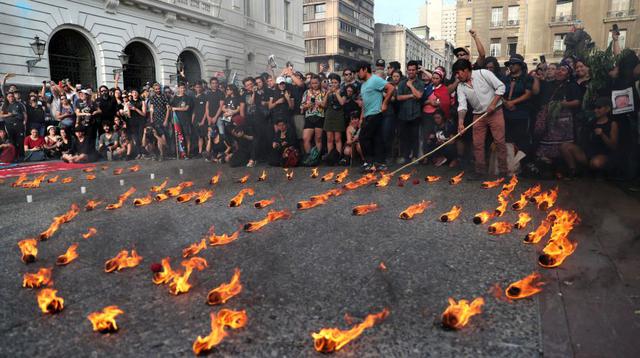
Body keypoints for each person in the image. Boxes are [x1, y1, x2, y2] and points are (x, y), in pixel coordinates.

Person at [453, 58, 508, 178]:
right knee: (477, 144)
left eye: (459, 73)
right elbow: (462, 106)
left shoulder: (483, 73)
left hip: (496, 111)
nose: (457, 76)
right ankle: (480, 171)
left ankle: (504, 172)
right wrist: (461, 123)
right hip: (478, 115)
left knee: (499, 141)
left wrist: (493, 104)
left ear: (466, 70)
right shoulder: (460, 86)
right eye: (456, 74)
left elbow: (501, 87)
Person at [533, 61, 581, 163]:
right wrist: (536, 79)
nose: (559, 72)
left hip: (564, 124)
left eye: (563, 70)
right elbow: (536, 92)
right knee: (546, 148)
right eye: (558, 69)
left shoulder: (572, 86)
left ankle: (564, 169)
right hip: (549, 122)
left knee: (563, 148)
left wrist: (564, 104)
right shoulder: (549, 84)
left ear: (568, 74)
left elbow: (577, 102)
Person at [560, 98, 618, 178]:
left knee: (596, 163)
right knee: (565, 146)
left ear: (607, 109)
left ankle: (598, 173)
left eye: (599, 108)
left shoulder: (612, 123)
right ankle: (573, 171)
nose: (596, 110)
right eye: (595, 108)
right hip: (587, 154)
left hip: (602, 155)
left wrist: (602, 135)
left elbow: (613, 146)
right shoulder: (591, 122)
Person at [356, 61, 395, 172]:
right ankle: (380, 163)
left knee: (363, 137)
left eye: (358, 72)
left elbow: (391, 88)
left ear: (364, 69)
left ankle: (369, 162)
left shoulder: (375, 79)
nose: (357, 75)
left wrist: (385, 103)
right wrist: (361, 117)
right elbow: (364, 102)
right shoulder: (363, 85)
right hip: (367, 114)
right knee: (377, 139)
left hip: (375, 113)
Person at [502, 54, 534, 160]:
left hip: (521, 114)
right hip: (506, 114)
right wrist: (505, 102)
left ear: (520, 65)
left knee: (521, 139)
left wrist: (513, 102)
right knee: (507, 139)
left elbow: (528, 94)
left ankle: (520, 164)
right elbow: (499, 93)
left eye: (514, 64)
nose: (511, 66)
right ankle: (510, 164)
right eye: (510, 64)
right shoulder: (505, 79)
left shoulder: (527, 78)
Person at [395, 60, 425, 164]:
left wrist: (411, 86)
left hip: (415, 114)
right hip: (403, 114)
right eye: (409, 70)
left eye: (413, 70)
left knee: (415, 137)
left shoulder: (420, 83)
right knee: (404, 137)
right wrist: (412, 95)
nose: (411, 72)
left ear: (416, 71)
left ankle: (415, 157)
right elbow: (398, 97)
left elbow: (420, 96)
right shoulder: (402, 83)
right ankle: (405, 157)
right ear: (407, 70)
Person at [422, 67, 451, 160]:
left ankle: (436, 157)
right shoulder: (428, 88)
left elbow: (446, 103)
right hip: (425, 114)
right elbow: (422, 100)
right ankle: (426, 157)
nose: (434, 80)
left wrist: (439, 104)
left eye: (437, 78)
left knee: (435, 137)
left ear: (441, 79)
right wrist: (429, 102)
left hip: (436, 116)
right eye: (433, 78)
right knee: (426, 135)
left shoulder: (444, 89)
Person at [322, 74, 346, 164]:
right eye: (332, 82)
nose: (333, 84)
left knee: (337, 138)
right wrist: (328, 93)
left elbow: (342, 103)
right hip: (329, 115)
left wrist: (336, 92)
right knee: (329, 138)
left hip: (338, 115)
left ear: (339, 83)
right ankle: (330, 157)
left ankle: (338, 157)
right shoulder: (328, 92)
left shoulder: (342, 91)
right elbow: (324, 105)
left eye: (335, 82)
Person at [300, 75, 325, 160]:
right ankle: (310, 157)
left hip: (319, 116)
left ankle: (317, 158)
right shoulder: (306, 92)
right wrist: (307, 105)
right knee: (305, 138)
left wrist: (319, 103)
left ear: (319, 83)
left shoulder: (324, 92)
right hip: (309, 116)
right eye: (312, 83)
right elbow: (302, 106)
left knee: (318, 138)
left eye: (316, 83)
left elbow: (326, 106)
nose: (314, 85)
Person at [170, 83, 195, 158]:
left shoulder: (188, 98)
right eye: (181, 88)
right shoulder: (175, 98)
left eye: (184, 88)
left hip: (186, 120)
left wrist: (175, 108)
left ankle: (188, 152)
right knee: (179, 137)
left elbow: (186, 108)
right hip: (177, 120)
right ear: (178, 89)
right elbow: (171, 106)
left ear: (185, 89)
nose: (182, 89)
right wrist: (169, 107)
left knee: (187, 136)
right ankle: (181, 153)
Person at [0, 91, 26, 158]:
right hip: (9, 125)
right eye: (9, 97)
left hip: (19, 124)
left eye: (12, 96)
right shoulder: (5, 105)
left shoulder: (19, 104)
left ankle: (21, 156)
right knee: (12, 140)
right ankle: (13, 156)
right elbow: (1, 115)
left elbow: (24, 114)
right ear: (7, 98)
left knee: (20, 141)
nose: (11, 98)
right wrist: (8, 115)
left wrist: (24, 122)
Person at [148, 83, 170, 158]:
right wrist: (151, 118)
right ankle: (162, 153)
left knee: (163, 136)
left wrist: (166, 120)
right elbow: (151, 109)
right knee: (161, 136)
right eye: (156, 89)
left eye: (159, 88)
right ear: (154, 90)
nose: (158, 90)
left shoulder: (164, 96)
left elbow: (168, 109)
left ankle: (164, 151)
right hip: (156, 120)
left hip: (163, 119)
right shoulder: (152, 97)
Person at [192, 80, 208, 157]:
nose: (198, 88)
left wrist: (203, 120)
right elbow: (194, 110)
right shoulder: (194, 97)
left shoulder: (204, 96)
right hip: (196, 120)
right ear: (194, 88)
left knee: (205, 136)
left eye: (199, 87)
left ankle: (208, 151)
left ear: (202, 87)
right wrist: (192, 120)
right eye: (196, 87)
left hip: (203, 119)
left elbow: (206, 110)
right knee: (199, 136)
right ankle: (200, 152)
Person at [128, 89, 146, 157]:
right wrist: (127, 110)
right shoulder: (129, 102)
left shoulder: (142, 102)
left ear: (138, 94)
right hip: (133, 122)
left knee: (141, 137)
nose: (134, 93)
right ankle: (138, 153)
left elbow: (144, 114)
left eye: (136, 92)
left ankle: (143, 152)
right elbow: (129, 115)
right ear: (131, 94)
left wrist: (135, 109)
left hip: (140, 121)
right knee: (135, 138)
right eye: (133, 92)